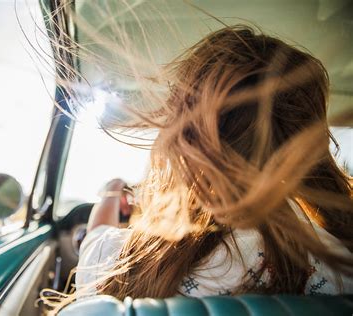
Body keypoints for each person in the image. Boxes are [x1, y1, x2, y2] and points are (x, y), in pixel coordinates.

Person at [74, 25, 353, 300]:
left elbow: (93, 243)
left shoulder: (129, 264)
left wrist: (111, 191)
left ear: (188, 133)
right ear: (309, 145)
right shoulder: (341, 266)